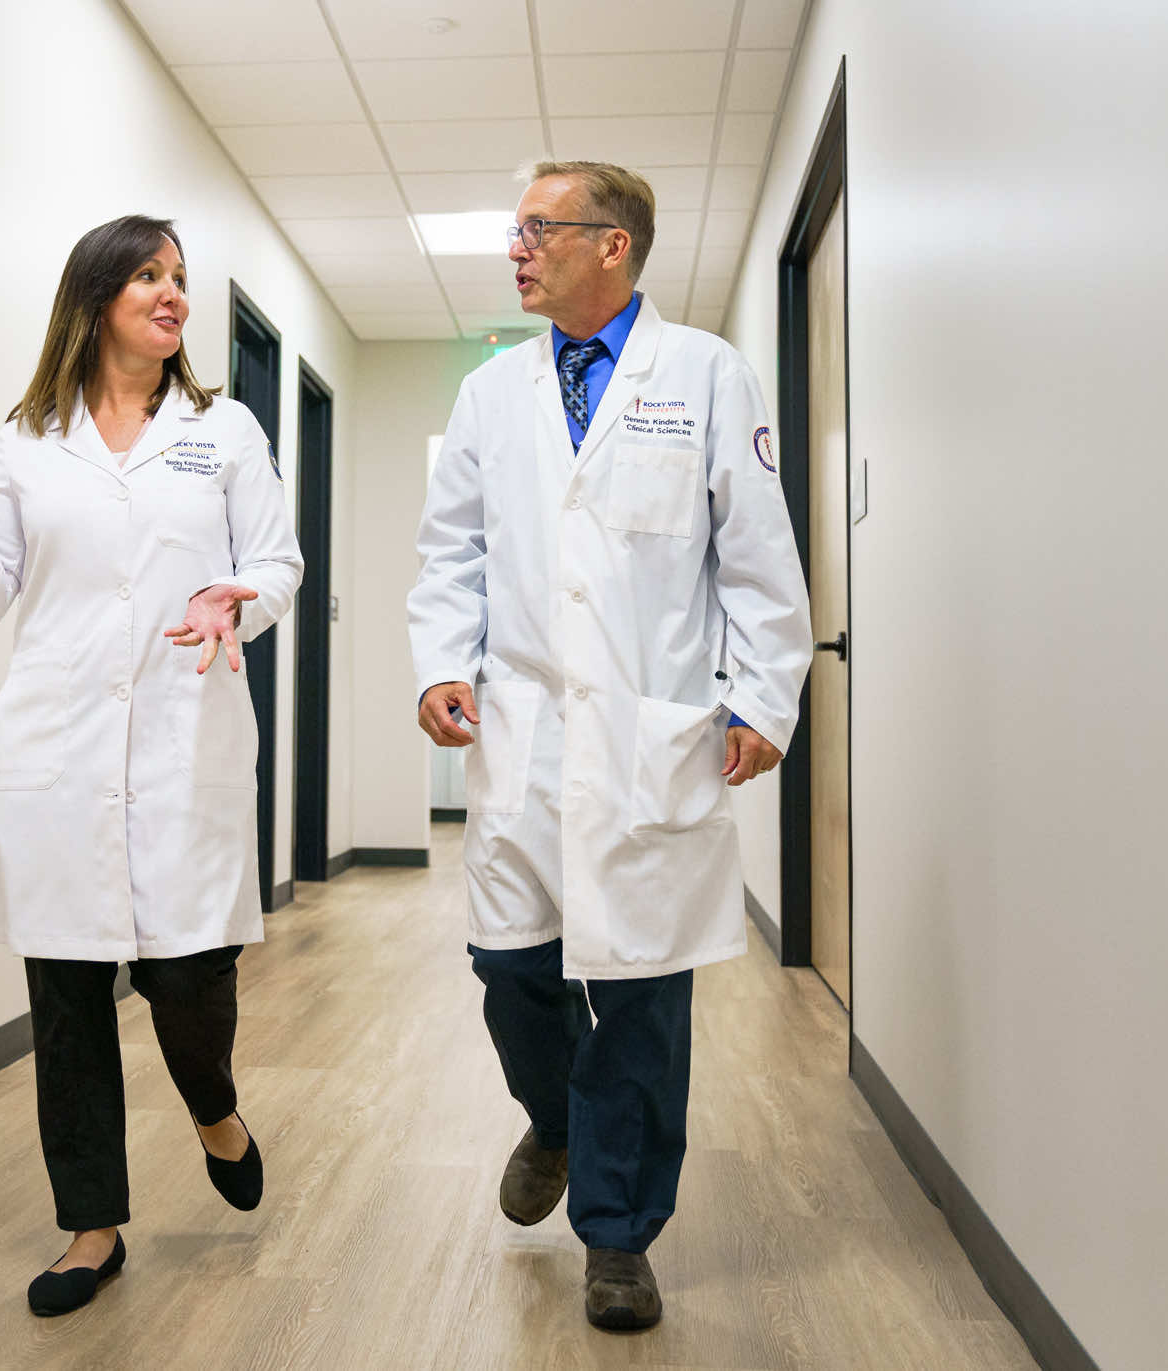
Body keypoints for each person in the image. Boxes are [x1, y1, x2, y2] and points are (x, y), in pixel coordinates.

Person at [407, 162, 812, 1331]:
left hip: (655, 732)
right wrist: (441, 664)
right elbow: (451, 559)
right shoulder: (492, 395)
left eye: (541, 229)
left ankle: (620, 1235)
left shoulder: (706, 376)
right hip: (525, 732)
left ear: (614, 246)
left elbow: (756, 559)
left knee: (640, 997)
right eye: (517, 230)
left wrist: (763, 699)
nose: (518, 249)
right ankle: (558, 1120)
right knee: (510, 970)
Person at [0, 214, 302, 1317]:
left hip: (187, 741)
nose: (172, 295)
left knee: (189, 980)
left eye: (180, 278)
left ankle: (214, 1110)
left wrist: (247, 596)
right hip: (56, 750)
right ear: (94, 300)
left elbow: (273, 559)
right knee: (67, 1002)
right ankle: (92, 1229)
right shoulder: (23, 440)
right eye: (147, 276)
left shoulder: (222, 431)